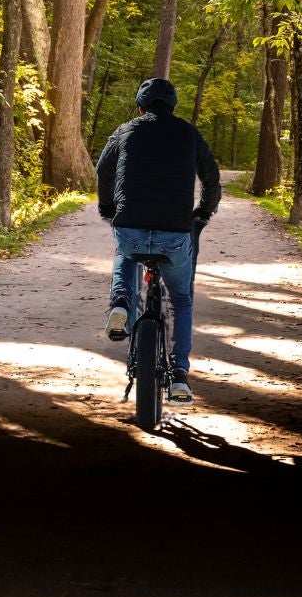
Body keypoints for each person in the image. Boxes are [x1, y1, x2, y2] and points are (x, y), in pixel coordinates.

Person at [95, 77, 222, 403]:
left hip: (132, 226)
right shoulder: (189, 133)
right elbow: (211, 177)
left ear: (140, 106)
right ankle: (179, 375)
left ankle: (121, 303)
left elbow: (102, 170)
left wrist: (108, 207)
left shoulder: (125, 131)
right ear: (173, 107)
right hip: (175, 234)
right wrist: (202, 214)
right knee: (180, 299)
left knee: (125, 250)